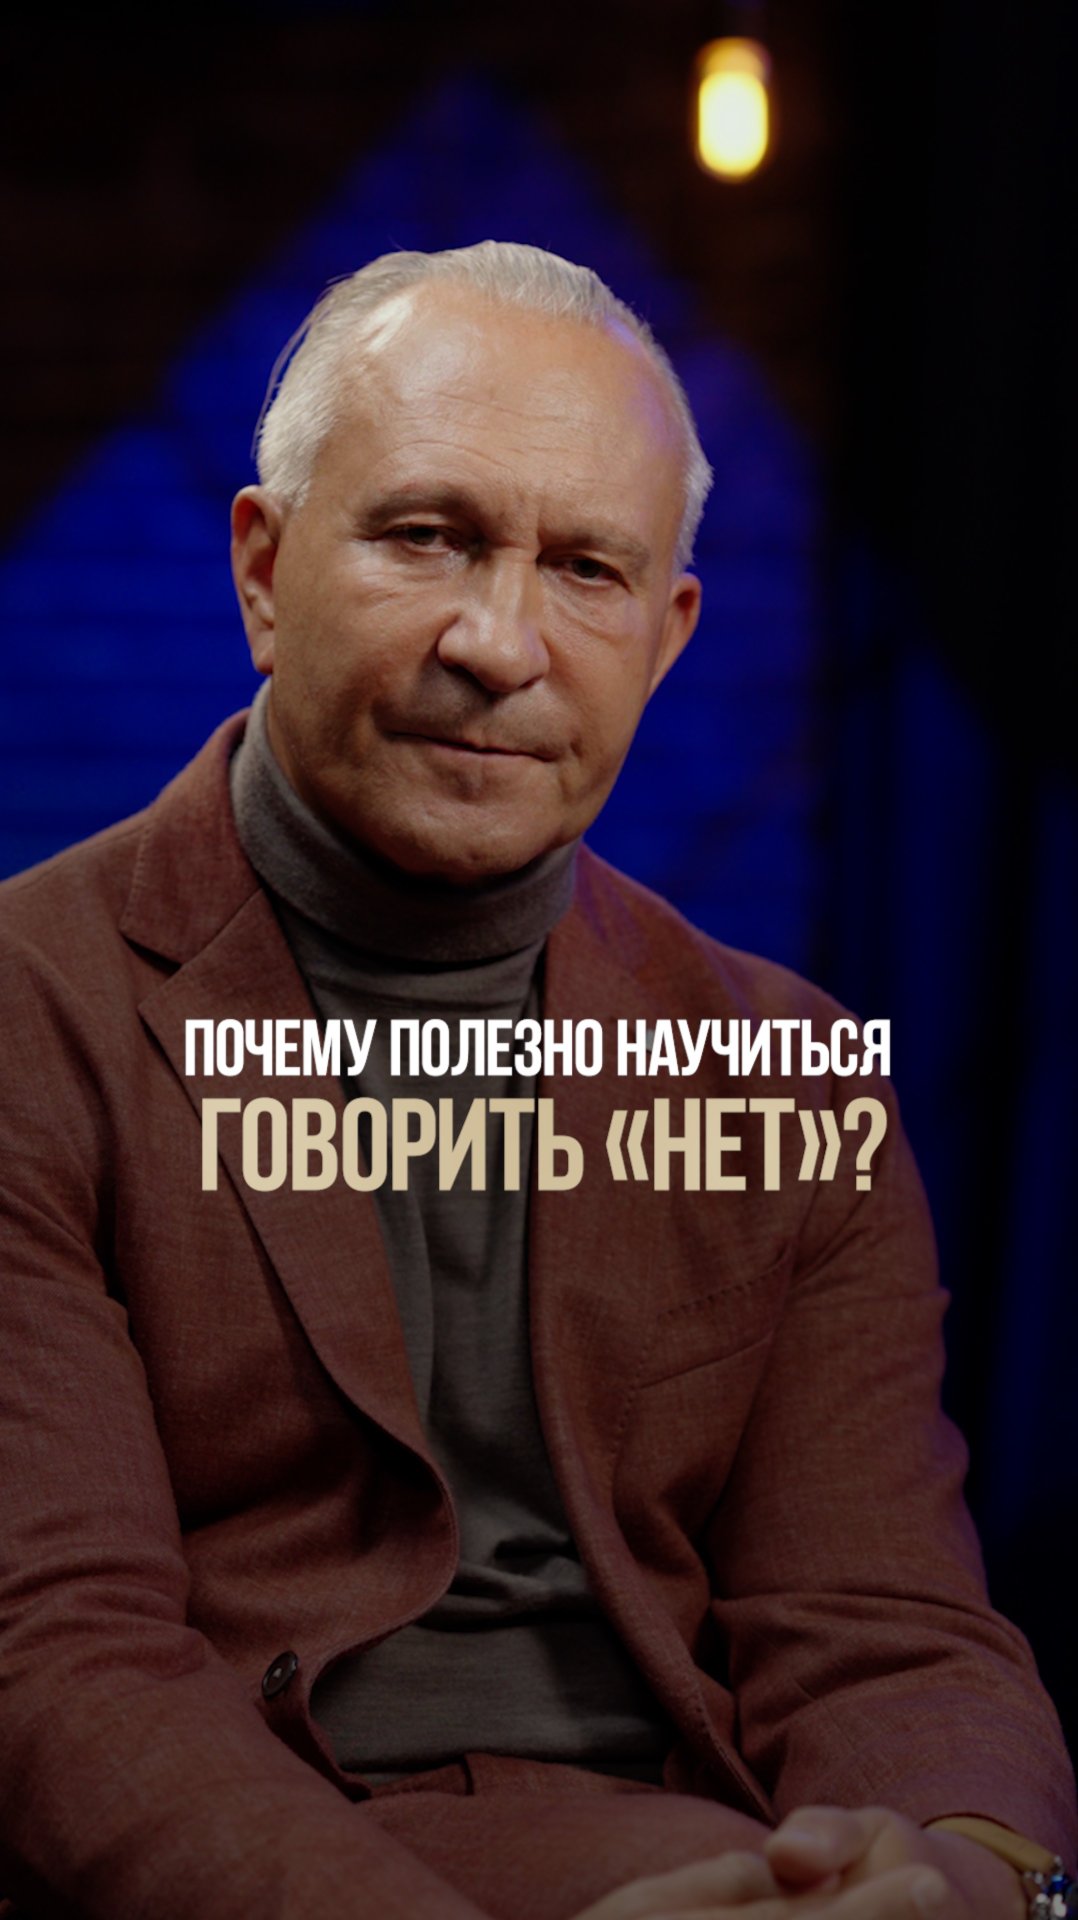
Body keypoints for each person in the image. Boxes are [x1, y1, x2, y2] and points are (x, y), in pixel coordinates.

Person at [0, 242, 1072, 1920]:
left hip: (716, 1862)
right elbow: (56, 1659)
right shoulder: (28, 1009)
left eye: (586, 569)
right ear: (264, 569)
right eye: (428, 536)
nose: (499, 644)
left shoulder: (785, 1082)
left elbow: (880, 1628)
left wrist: (966, 1878)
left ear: (665, 635)